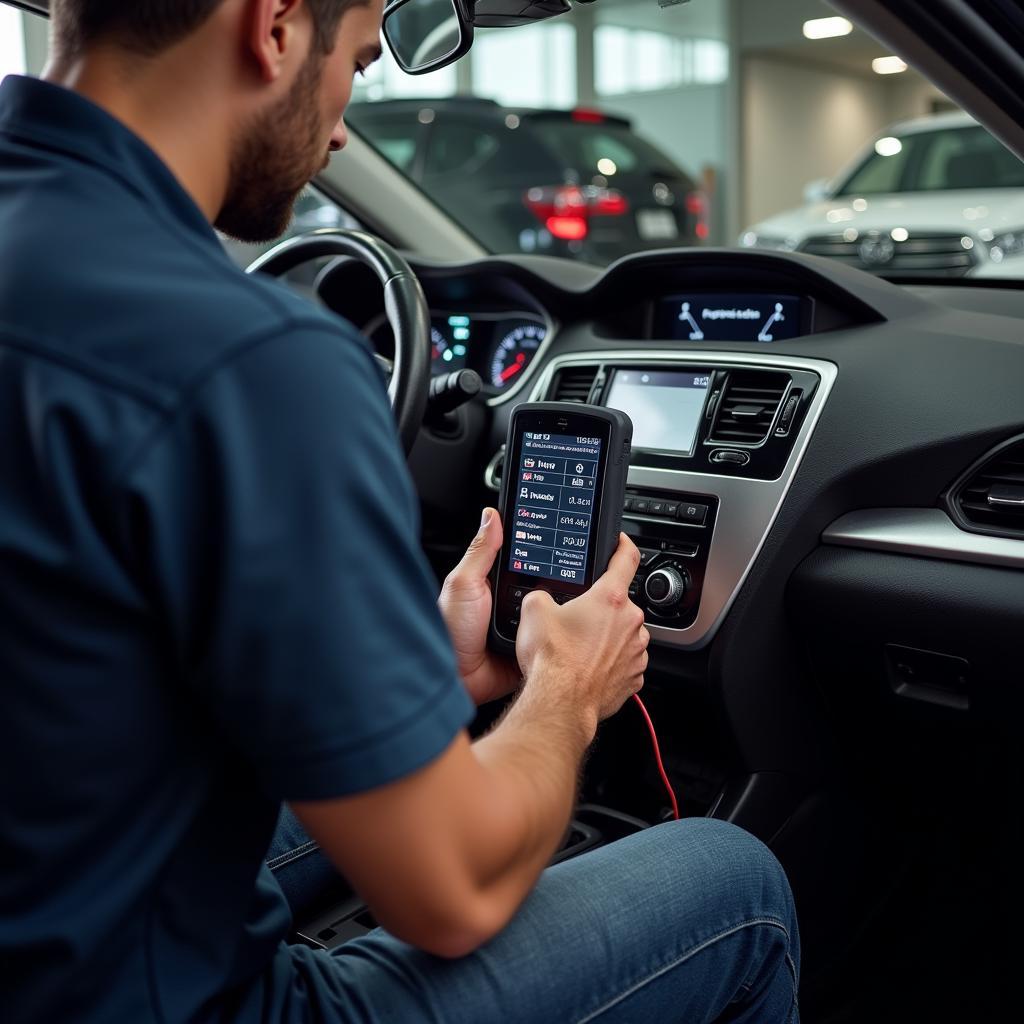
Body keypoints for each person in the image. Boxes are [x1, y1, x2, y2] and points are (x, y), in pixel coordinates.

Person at [0, 1, 800, 1021]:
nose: (340, 129)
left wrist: (428, 676)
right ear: (277, 25)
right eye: (361, 62)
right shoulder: (253, 360)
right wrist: (568, 686)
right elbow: (450, 891)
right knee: (738, 884)